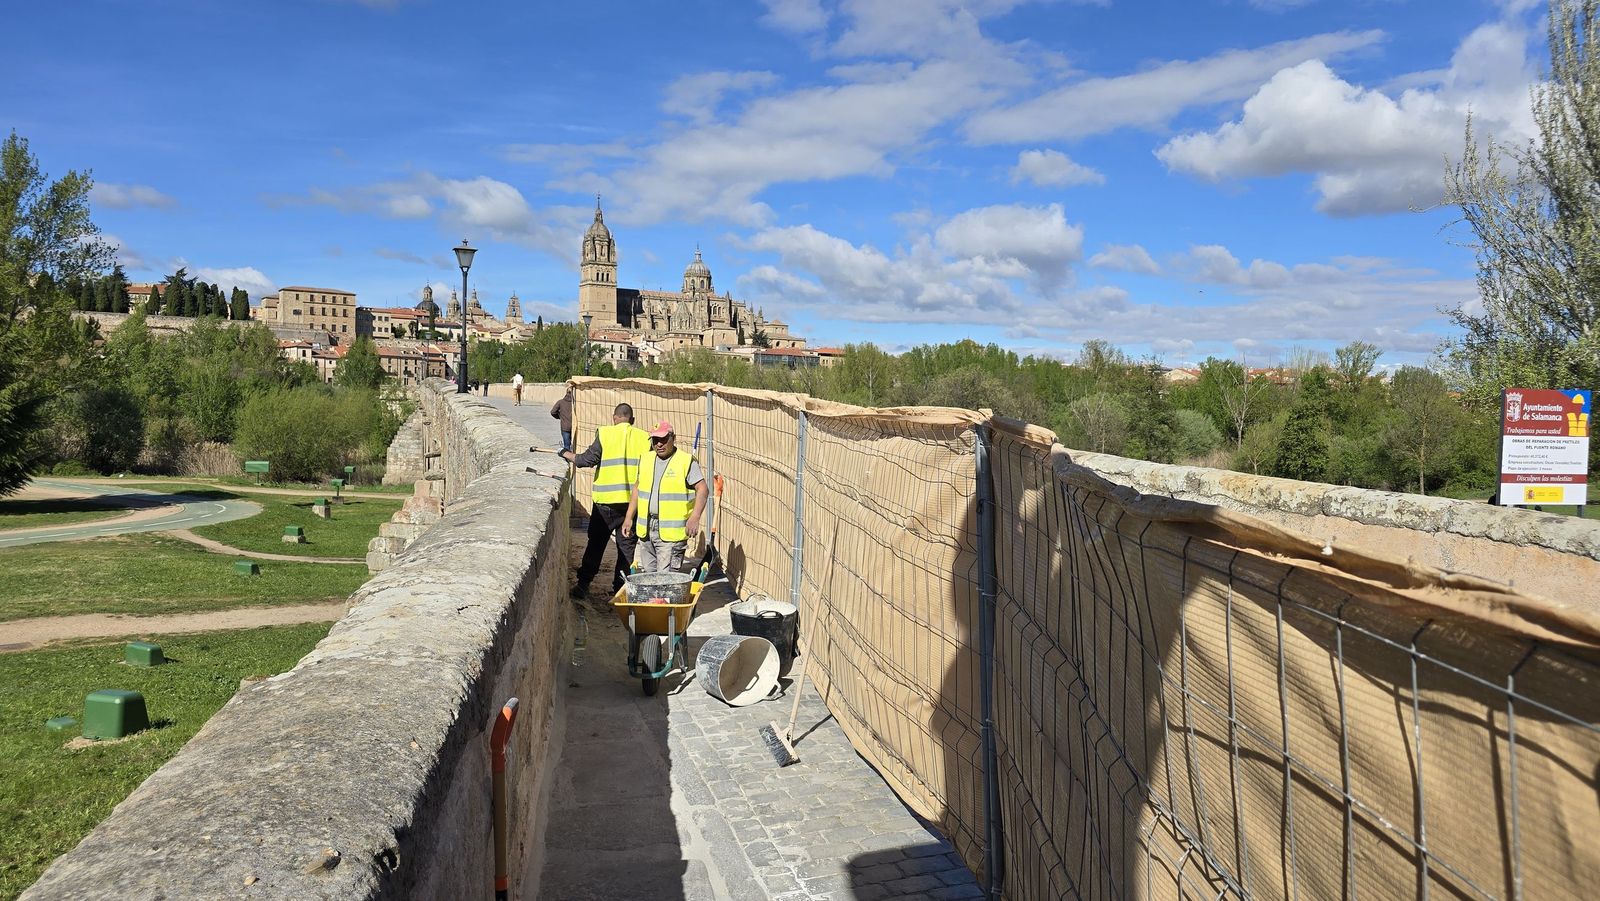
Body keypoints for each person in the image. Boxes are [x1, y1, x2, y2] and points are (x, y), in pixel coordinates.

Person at [561, 403, 650, 599]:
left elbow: (585, 460)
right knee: (626, 550)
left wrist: (565, 453)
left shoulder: (605, 434)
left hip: (605, 506)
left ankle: (583, 586)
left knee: (596, 545)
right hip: (632, 507)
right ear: (632, 420)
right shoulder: (645, 438)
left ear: (614, 418)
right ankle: (620, 591)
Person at [623, 421, 708, 574]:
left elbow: (702, 489)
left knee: (666, 580)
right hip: (647, 530)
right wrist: (629, 517)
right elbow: (637, 488)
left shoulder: (685, 461)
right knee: (649, 578)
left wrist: (695, 517)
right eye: (655, 441)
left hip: (671, 535)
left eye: (663, 439)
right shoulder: (646, 459)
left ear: (673, 438)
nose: (659, 444)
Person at [550, 388, 574, 452]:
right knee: (575, 445)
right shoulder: (576, 403)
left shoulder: (560, 402)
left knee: (566, 445)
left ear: (566, 392)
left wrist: (559, 417)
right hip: (575, 427)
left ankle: (567, 459)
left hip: (565, 427)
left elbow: (553, 412)